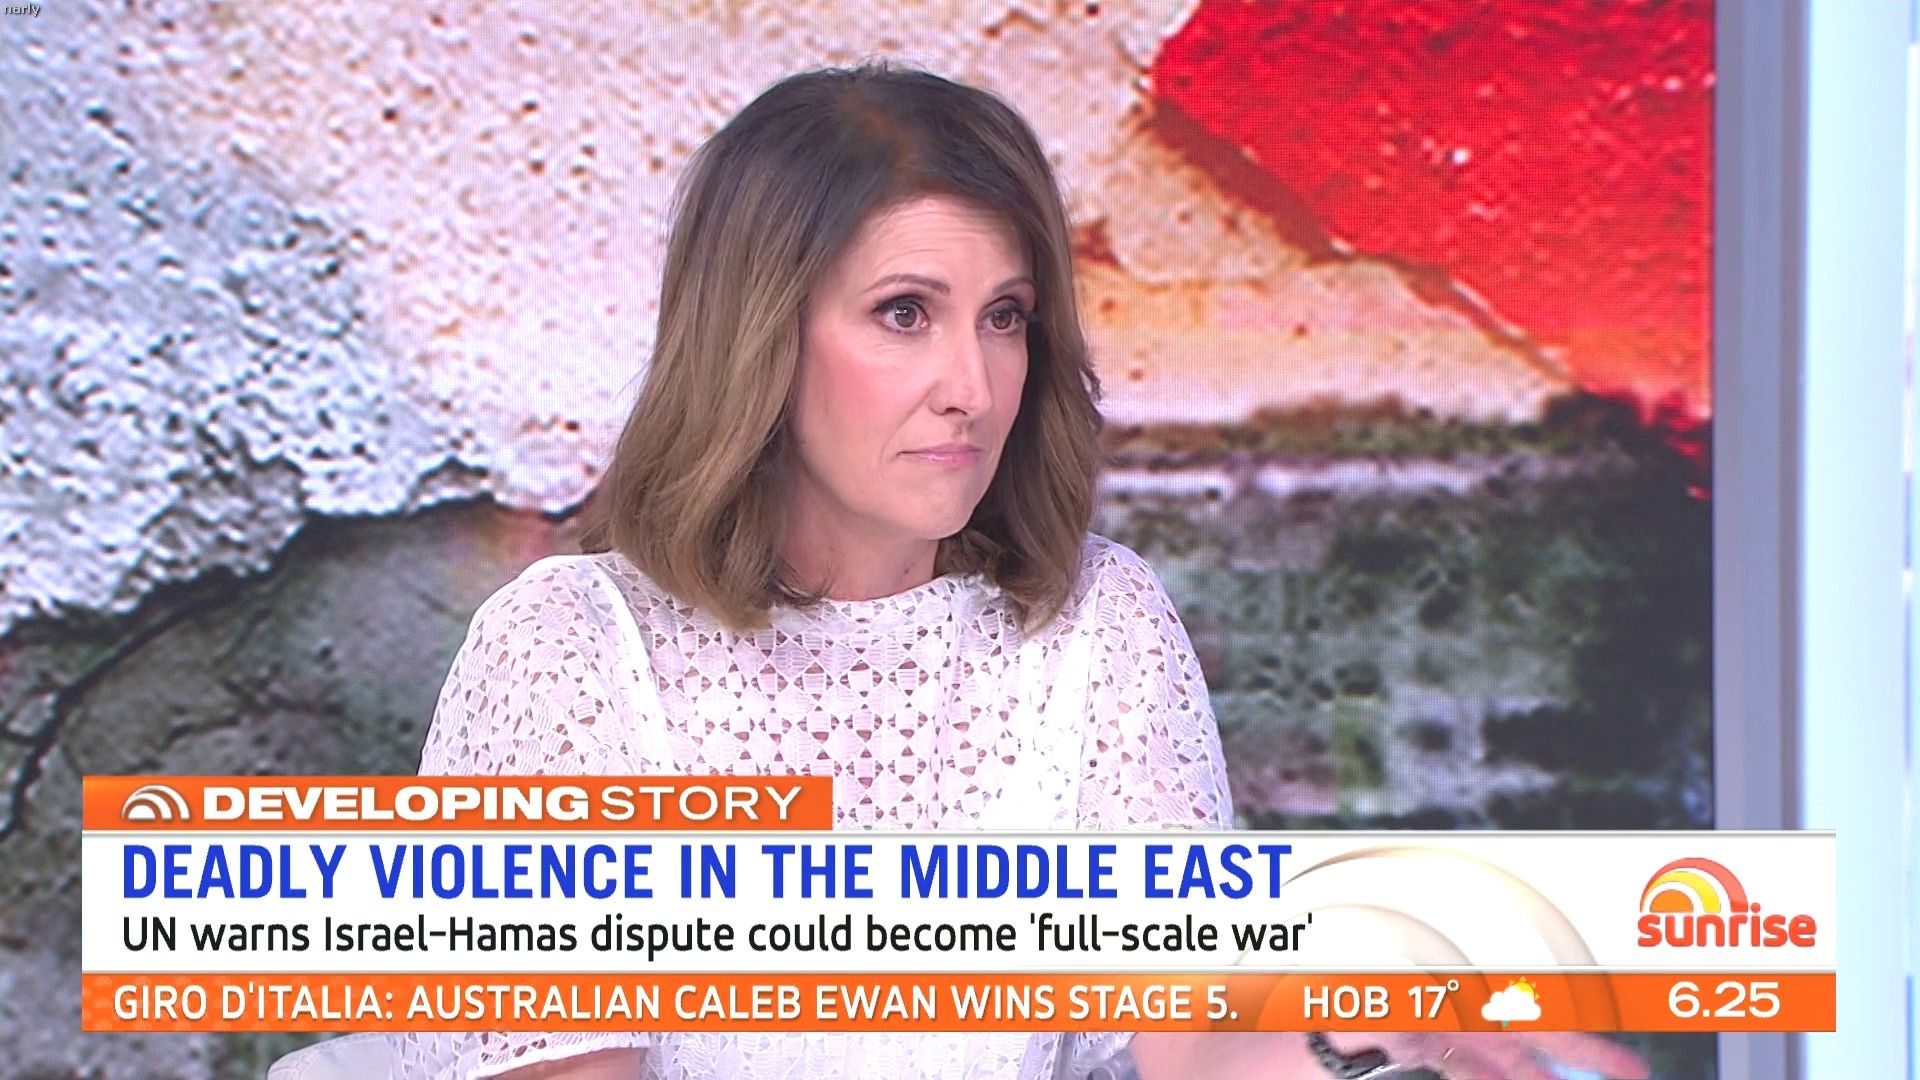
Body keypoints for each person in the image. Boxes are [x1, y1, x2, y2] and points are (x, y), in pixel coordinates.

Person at [388, 64, 1650, 1080]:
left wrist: (1368, 1045)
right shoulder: (567, 651)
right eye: (905, 313)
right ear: (758, 336)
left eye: (1005, 316)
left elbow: (1200, 1045)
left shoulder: (1102, 622)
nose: (973, 385)